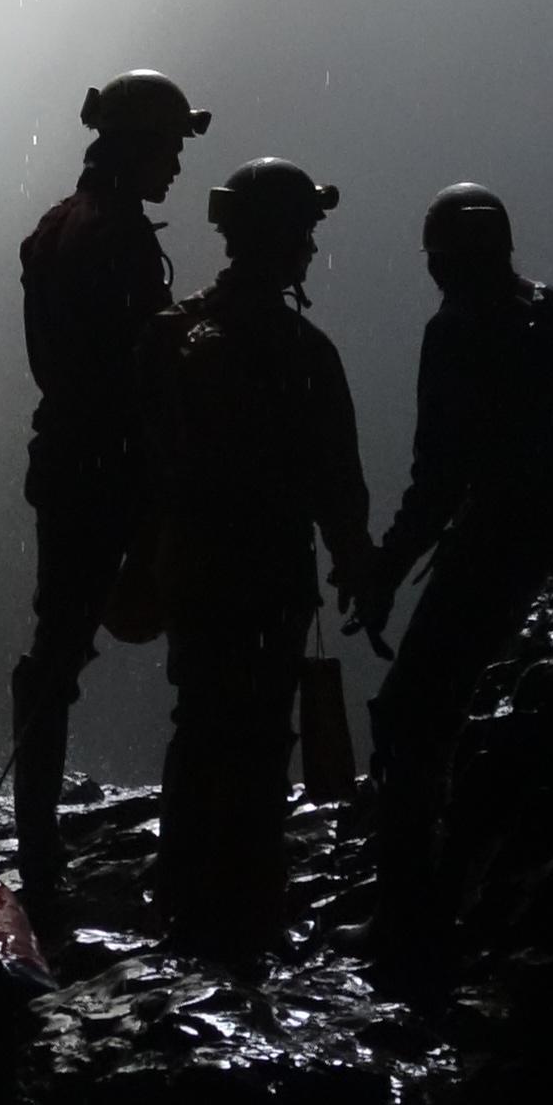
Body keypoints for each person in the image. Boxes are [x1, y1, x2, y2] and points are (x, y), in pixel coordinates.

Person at [357, 186, 553, 974]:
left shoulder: (458, 331)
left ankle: (408, 916)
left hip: (493, 546)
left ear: (444, 259)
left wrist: (386, 571)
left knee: (411, 716)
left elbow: (438, 477)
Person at [137, 154, 372, 962]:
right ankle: (249, 907)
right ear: (282, 240)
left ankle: (183, 901)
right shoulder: (304, 351)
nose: (311, 246)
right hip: (271, 574)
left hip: (193, 568)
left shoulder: (170, 337)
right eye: (304, 231)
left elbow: (142, 460)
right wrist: (356, 567)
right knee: (263, 733)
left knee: (200, 721)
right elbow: (338, 480)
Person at [11, 69, 208, 956]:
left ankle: (39, 853)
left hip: (69, 457)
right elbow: (129, 371)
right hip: (112, 465)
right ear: (135, 146)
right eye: (169, 146)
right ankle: (180, 853)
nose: (177, 164)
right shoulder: (114, 239)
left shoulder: (62, 223)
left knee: (56, 648)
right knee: (190, 636)